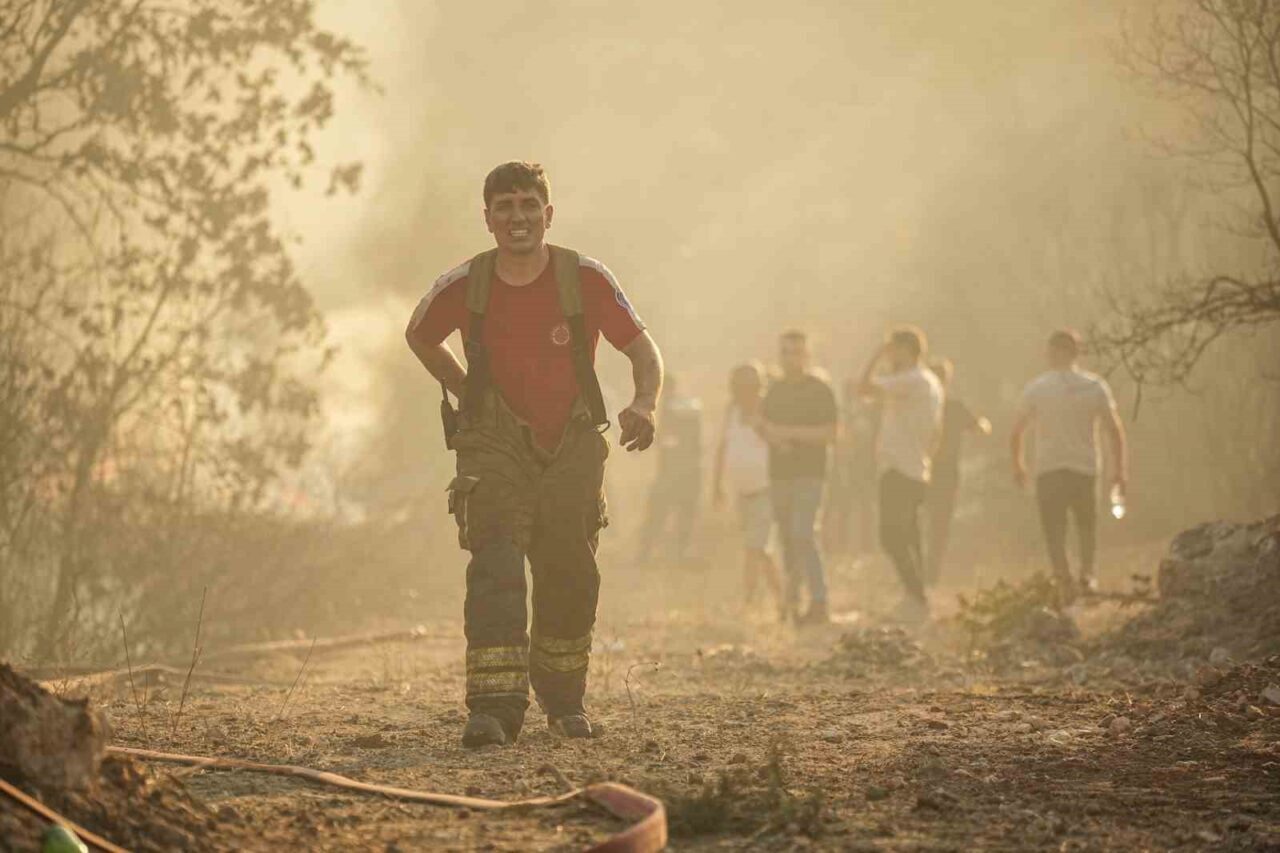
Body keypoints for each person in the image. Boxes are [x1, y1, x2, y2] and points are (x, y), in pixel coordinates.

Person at [405, 162, 664, 747]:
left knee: (570, 569)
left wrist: (645, 403)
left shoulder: (586, 277)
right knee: (495, 568)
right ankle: (493, 711)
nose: (517, 217)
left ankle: (564, 701)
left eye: (528, 206)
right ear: (488, 218)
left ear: (548, 214)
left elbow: (643, 349)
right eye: (505, 207)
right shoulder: (463, 283)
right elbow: (419, 334)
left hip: (572, 443)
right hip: (492, 448)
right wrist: (466, 388)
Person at [1010, 329, 1128, 599]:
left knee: (1054, 527)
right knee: (1086, 524)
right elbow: (1114, 430)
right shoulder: (1094, 385)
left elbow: (1017, 431)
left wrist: (1018, 465)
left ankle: (1063, 578)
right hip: (1085, 466)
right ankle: (1087, 576)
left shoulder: (1038, 388)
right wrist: (1120, 470)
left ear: (1054, 352)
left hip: (1050, 468)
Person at [856, 326, 943, 620]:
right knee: (909, 536)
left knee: (891, 536)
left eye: (893, 349)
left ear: (906, 350)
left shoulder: (911, 379)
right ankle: (916, 596)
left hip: (900, 468)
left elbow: (863, 388)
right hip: (916, 466)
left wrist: (875, 355)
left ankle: (916, 597)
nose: (890, 355)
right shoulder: (929, 381)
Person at [761, 331, 838, 625]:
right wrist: (774, 437)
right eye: (785, 352)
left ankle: (819, 601)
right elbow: (764, 425)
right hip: (780, 473)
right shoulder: (775, 391)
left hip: (810, 473)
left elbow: (830, 433)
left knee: (803, 533)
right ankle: (792, 600)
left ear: (806, 356)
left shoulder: (820, 390)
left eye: (796, 352)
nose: (790, 358)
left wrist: (790, 434)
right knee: (787, 538)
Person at [711, 362, 784, 615]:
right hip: (741, 491)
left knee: (755, 548)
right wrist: (716, 485)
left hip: (766, 490)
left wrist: (763, 427)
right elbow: (722, 448)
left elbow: (781, 445)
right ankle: (782, 598)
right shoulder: (732, 411)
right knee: (761, 550)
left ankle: (749, 601)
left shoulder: (769, 410)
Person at [924, 358, 991, 586]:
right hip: (945, 472)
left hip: (920, 469)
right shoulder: (954, 407)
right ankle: (930, 573)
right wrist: (984, 423)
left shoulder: (921, 406)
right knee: (939, 524)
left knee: (921, 521)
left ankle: (921, 571)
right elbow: (980, 428)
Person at [636, 374, 703, 563]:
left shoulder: (671, 408)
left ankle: (649, 552)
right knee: (680, 513)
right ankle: (673, 552)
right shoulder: (685, 407)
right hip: (684, 469)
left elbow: (672, 440)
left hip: (676, 470)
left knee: (660, 512)